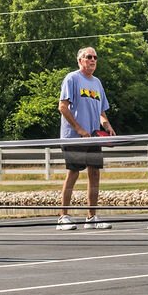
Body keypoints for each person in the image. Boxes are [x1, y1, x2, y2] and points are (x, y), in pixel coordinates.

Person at [57, 47, 115, 231]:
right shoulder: (72, 78)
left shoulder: (97, 83)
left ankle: (91, 217)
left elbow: (101, 112)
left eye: (95, 57)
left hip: (93, 137)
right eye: (89, 57)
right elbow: (63, 107)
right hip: (74, 137)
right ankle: (63, 217)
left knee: (95, 174)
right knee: (73, 173)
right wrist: (79, 129)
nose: (93, 60)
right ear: (80, 60)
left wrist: (107, 125)